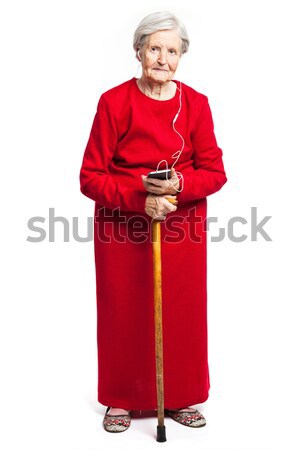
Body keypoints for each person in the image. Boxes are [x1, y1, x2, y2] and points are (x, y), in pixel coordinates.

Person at [79, 11, 227, 433]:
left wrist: (177, 185)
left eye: (172, 50)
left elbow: (215, 173)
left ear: (182, 57)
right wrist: (139, 199)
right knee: (123, 309)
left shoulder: (196, 105)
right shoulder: (113, 102)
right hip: (122, 227)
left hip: (182, 229)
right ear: (139, 50)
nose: (163, 58)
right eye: (155, 48)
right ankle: (121, 398)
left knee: (181, 312)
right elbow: (91, 176)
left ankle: (181, 397)